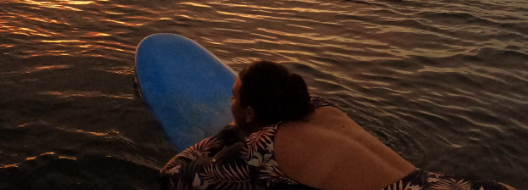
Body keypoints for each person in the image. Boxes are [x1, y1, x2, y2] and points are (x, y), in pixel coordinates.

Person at [160, 61, 516, 190]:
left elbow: (173, 176)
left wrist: (228, 133)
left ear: (250, 113)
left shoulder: (261, 147)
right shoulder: (323, 109)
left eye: (235, 98)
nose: (230, 102)